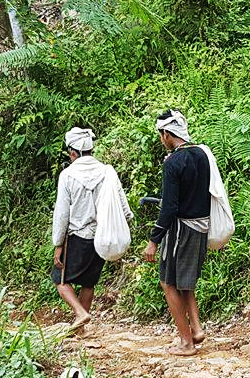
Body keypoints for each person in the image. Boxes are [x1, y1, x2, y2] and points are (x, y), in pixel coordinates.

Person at [143, 110, 211, 356]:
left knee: (168, 282)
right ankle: (196, 329)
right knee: (186, 282)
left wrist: (154, 240)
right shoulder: (202, 154)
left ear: (166, 134)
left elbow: (170, 207)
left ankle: (185, 342)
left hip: (181, 229)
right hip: (201, 226)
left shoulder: (173, 162)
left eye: (161, 135)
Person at [52, 127, 130, 329]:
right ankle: (81, 328)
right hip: (102, 235)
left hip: (78, 236)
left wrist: (58, 244)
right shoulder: (106, 171)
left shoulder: (67, 175)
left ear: (72, 152)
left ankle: (79, 314)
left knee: (60, 280)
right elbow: (123, 206)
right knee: (88, 283)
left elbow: (62, 214)